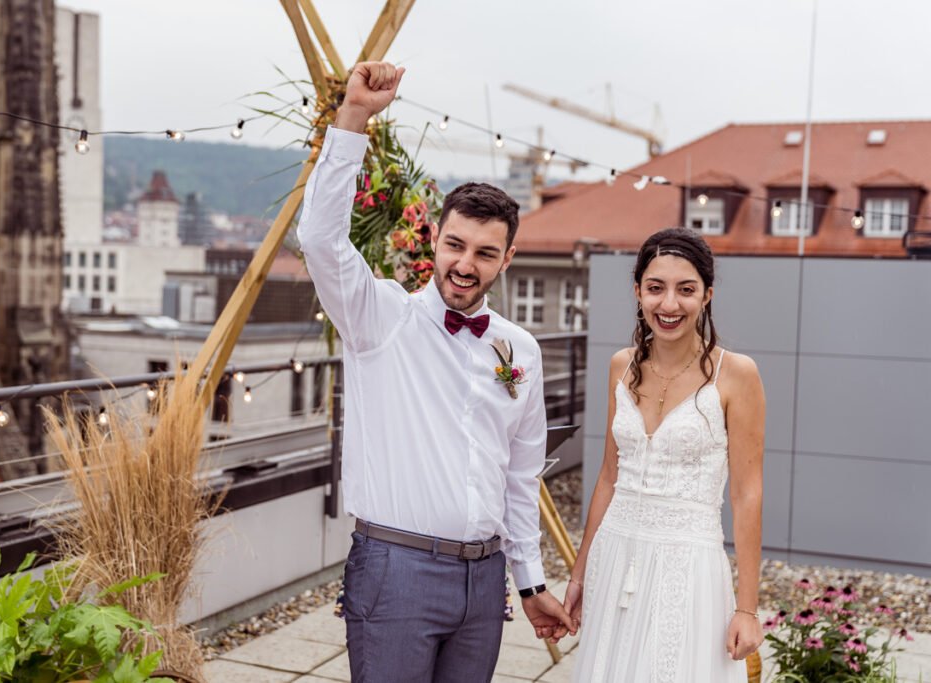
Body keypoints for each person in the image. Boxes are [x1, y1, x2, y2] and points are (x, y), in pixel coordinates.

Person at [296, 62, 575, 682]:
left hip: (485, 583)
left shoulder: (520, 351)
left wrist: (530, 585)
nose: (465, 264)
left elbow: (521, 480)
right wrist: (355, 118)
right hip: (396, 571)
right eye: (455, 245)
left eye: (483, 252)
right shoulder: (380, 318)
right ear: (434, 241)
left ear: (507, 258)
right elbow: (320, 239)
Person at [563, 228, 765, 681]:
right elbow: (609, 478)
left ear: (707, 295)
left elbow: (747, 495)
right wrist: (578, 575)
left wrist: (747, 607)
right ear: (638, 291)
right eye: (655, 288)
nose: (668, 304)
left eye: (686, 289)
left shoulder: (737, 375)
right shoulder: (621, 366)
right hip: (615, 556)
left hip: (687, 565)